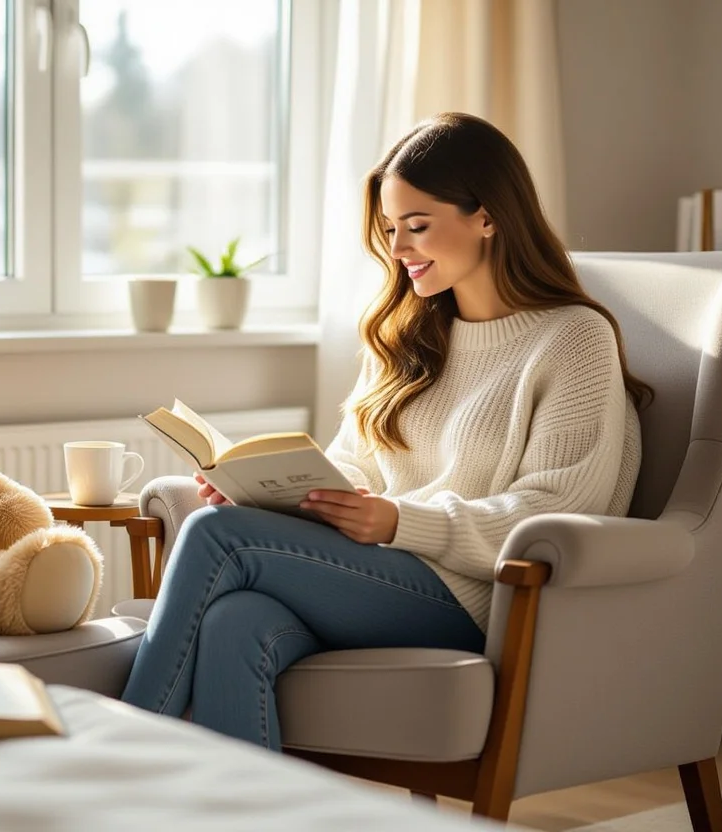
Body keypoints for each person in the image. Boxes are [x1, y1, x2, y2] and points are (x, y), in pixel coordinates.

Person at [120, 112, 648, 752]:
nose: (398, 250)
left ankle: (117, 761)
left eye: (418, 226)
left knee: (215, 536)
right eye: (392, 229)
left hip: (474, 598)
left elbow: (559, 511)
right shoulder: (408, 332)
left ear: (487, 215)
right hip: (376, 574)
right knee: (237, 621)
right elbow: (357, 469)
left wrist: (401, 523)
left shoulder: (571, 339)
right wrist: (271, 495)